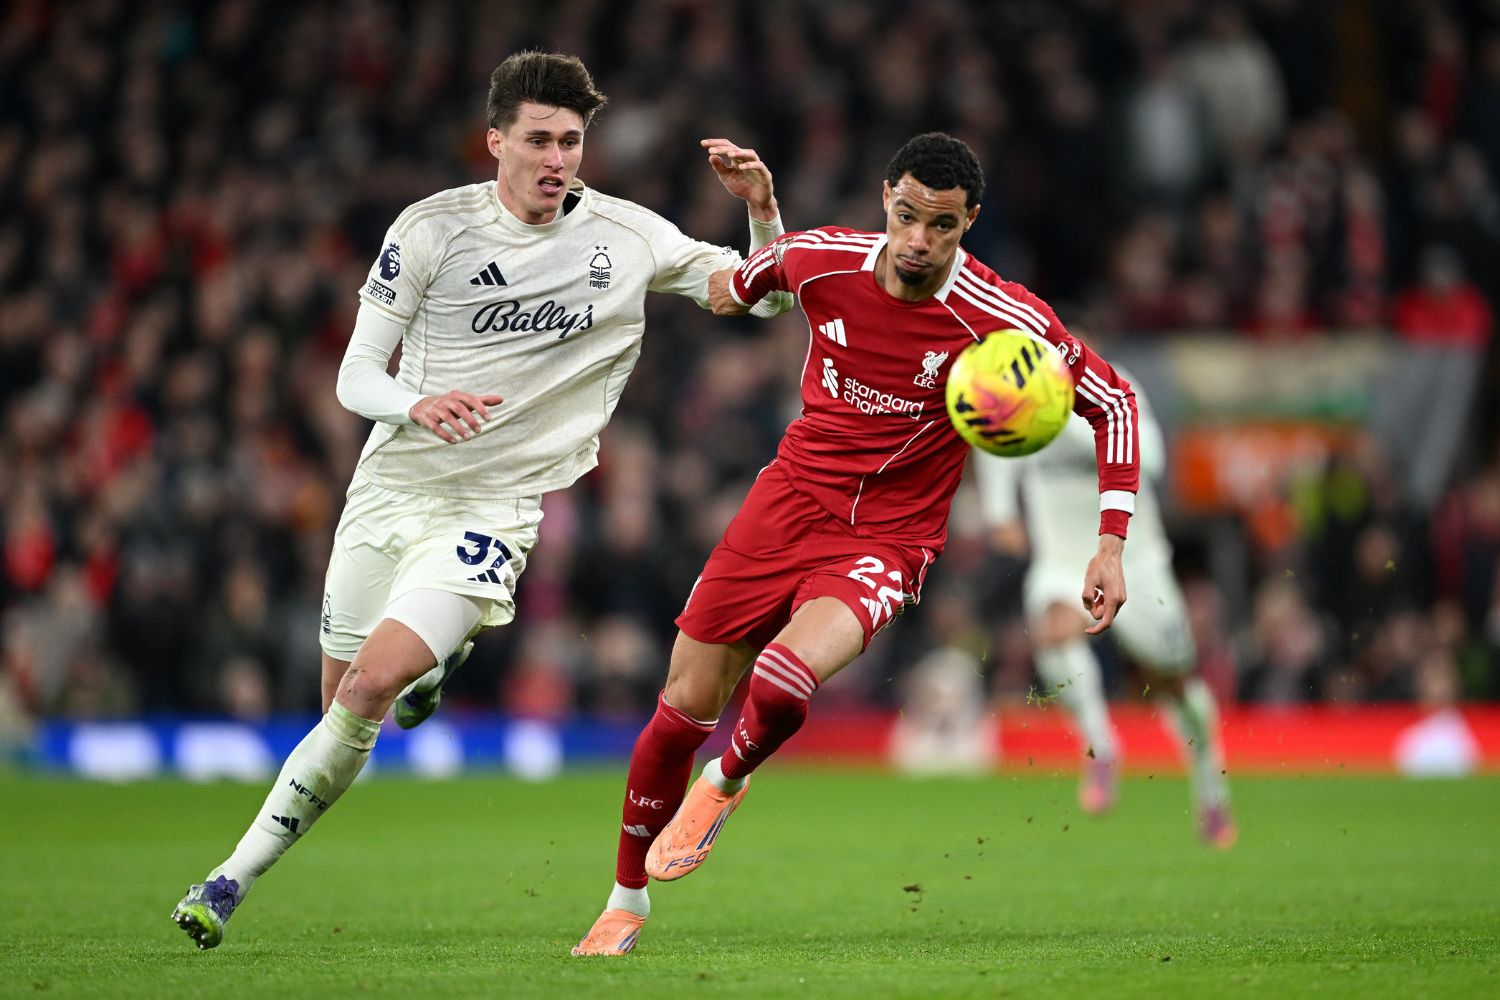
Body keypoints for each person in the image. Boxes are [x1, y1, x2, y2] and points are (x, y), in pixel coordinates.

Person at [170, 50, 790, 950]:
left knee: (371, 684)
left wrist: (760, 209)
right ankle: (433, 670)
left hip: (494, 507)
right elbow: (352, 377)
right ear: (494, 140)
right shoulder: (430, 232)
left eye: (571, 142)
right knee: (343, 701)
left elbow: (762, 303)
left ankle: (228, 880)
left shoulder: (627, 237)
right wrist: (416, 402)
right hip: (393, 487)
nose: (557, 159)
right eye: (538, 138)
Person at [572, 132, 1141, 956]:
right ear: (885, 199)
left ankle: (726, 780)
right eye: (907, 216)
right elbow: (746, 295)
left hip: (889, 535)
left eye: (941, 226)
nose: (919, 240)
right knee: (678, 711)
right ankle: (624, 902)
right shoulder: (821, 260)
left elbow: (1114, 402)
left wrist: (1111, 545)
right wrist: (761, 210)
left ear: (968, 223)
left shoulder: (999, 316)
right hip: (784, 505)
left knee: (784, 674)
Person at [973, 380, 1237, 846]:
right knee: (1053, 628)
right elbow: (990, 436)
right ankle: (1102, 749)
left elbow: (1150, 459)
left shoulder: (1119, 388)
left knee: (1173, 683)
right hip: (1062, 558)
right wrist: (999, 511)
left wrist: (1068, 421)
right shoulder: (1016, 389)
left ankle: (1211, 788)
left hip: (1132, 559)